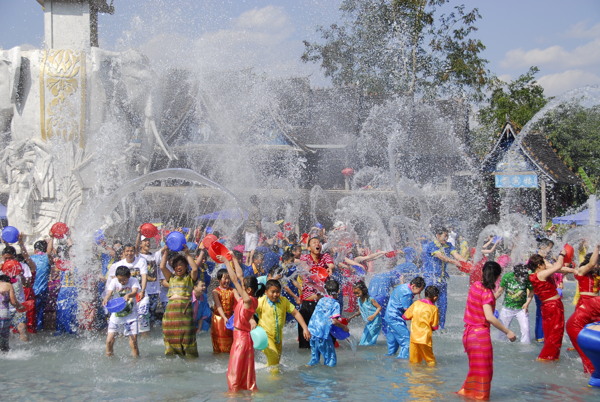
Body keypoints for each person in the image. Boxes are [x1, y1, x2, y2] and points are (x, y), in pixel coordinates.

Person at [457, 261, 517, 400]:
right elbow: (489, 317)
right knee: (485, 373)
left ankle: (467, 394)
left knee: (475, 370)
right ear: (497, 277)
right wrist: (507, 331)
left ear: (483, 272)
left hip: (468, 335)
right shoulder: (487, 293)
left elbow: (483, 300)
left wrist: (494, 296)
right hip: (480, 336)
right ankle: (480, 397)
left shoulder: (475, 286)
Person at [219, 253, 259, 392]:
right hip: (244, 339)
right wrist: (234, 259)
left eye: (244, 286)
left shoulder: (247, 300)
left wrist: (225, 262)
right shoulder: (250, 299)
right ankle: (243, 394)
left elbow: (235, 279)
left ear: (248, 290)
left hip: (241, 340)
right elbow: (240, 277)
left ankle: (233, 396)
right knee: (244, 371)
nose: (240, 285)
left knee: (234, 373)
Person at [528, 252, 576, 361]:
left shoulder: (534, 275)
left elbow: (556, 268)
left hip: (547, 306)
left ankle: (551, 356)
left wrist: (572, 270)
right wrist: (561, 254)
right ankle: (546, 357)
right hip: (553, 306)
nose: (545, 265)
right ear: (539, 266)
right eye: (543, 264)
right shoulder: (541, 274)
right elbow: (558, 266)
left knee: (550, 333)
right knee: (556, 333)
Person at [255, 279, 311, 371]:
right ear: (266, 292)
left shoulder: (283, 301)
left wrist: (305, 328)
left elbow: (295, 313)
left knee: (275, 362)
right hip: (265, 336)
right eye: (272, 292)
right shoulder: (261, 301)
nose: (275, 294)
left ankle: (262, 372)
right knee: (273, 356)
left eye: (278, 292)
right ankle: (275, 382)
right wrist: (251, 322)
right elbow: (249, 312)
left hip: (278, 338)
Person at [421, 227, 466, 329]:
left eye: (447, 236)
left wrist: (466, 263)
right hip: (431, 279)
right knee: (429, 305)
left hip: (442, 280)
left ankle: (440, 327)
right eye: (445, 236)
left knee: (443, 305)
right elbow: (441, 256)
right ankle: (426, 326)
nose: (446, 238)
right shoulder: (431, 245)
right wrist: (454, 262)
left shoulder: (448, 245)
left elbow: (456, 255)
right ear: (438, 235)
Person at [159, 246, 199, 357]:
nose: (178, 267)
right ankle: (172, 359)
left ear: (186, 266)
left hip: (184, 311)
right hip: (171, 313)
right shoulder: (171, 278)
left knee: (187, 337)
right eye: (176, 265)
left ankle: (190, 360)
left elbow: (195, 269)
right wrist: (166, 252)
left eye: (181, 264)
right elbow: (162, 266)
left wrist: (187, 253)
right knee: (170, 336)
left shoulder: (189, 278)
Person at [566, 244, 600, 373]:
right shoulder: (582, 271)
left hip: (596, 305)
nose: (597, 266)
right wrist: (597, 248)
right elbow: (591, 265)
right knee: (582, 328)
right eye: (596, 263)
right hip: (585, 303)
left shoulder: (596, 275)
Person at [298, 237, 334, 348]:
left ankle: (326, 347)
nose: (317, 244)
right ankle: (304, 349)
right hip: (308, 299)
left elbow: (331, 264)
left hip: (322, 299)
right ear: (308, 248)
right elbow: (304, 266)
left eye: (318, 243)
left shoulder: (325, 256)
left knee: (324, 329)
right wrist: (311, 271)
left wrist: (330, 268)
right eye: (314, 243)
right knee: (306, 329)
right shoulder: (305, 257)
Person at [306, 279, 347, 367]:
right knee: (330, 359)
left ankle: (310, 371)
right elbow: (334, 321)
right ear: (338, 291)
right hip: (322, 334)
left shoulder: (321, 300)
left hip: (312, 331)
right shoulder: (336, 304)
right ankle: (328, 378)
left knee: (314, 358)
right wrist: (344, 327)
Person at [102, 266, 140, 357]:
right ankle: (109, 360)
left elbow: (135, 292)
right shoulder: (114, 281)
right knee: (109, 341)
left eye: (124, 280)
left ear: (129, 276)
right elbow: (109, 293)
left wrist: (129, 294)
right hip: (117, 314)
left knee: (133, 342)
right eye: (120, 280)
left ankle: (135, 361)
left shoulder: (133, 280)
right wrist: (106, 299)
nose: (122, 282)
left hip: (131, 315)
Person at [384, 276, 425, 358]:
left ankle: (389, 360)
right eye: (418, 291)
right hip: (395, 318)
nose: (418, 293)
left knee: (393, 343)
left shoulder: (403, 286)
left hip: (388, 316)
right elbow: (408, 310)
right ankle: (402, 361)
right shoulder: (407, 293)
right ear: (413, 286)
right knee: (407, 341)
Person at [494, 264, 533, 344]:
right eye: (520, 276)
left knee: (526, 329)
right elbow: (499, 291)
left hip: (521, 309)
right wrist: (489, 301)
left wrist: (527, 303)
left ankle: (525, 347)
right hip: (507, 308)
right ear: (515, 274)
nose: (522, 278)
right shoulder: (507, 277)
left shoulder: (527, 278)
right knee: (502, 332)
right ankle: (501, 347)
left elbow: (532, 291)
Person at [402, 285, 440, 366]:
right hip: (425, 339)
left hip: (414, 338)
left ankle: (414, 377)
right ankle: (431, 377)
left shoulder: (416, 303)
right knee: (430, 360)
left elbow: (405, 317)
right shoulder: (434, 309)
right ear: (435, 297)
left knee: (414, 361)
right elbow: (434, 327)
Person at [211, 268, 238, 353]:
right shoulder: (215, 291)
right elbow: (218, 306)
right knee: (219, 344)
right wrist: (224, 317)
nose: (227, 281)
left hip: (230, 319)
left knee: (231, 343)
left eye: (228, 278)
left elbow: (239, 300)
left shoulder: (233, 290)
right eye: (225, 278)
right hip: (219, 319)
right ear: (219, 279)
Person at [348, 280, 382, 346]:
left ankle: (370, 351)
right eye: (355, 293)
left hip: (376, 320)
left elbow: (379, 307)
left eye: (358, 293)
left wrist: (373, 315)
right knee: (364, 337)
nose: (356, 295)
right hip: (370, 321)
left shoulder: (370, 299)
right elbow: (361, 311)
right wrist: (351, 317)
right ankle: (365, 349)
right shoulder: (359, 300)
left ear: (363, 290)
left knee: (370, 337)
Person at [30, 240, 51, 331]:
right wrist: (51, 239)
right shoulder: (47, 258)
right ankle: (39, 328)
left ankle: (32, 329)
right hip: (43, 290)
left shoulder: (31, 258)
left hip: (31, 291)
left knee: (31, 312)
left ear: (35, 250)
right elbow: (49, 252)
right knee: (40, 312)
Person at [0, 274, 24, 352]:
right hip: (4, 314)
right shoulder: (8, 285)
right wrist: (20, 307)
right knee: (4, 341)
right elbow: (13, 302)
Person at [243, 194, 262, 265]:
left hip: (247, 230)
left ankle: (246, 262)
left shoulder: (248, 209)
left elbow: (246, 219)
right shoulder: (257, 210)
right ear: (256, 201)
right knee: (253, 247)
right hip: (254, 230)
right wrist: (261, 230)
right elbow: (258, 222)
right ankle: (250, 261)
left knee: (247, 246)